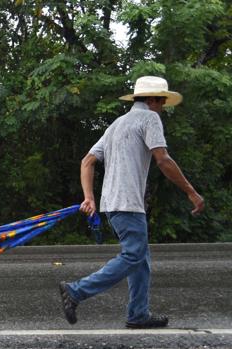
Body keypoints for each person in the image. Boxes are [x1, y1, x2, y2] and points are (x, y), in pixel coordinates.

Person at [59, 76, 205, 329]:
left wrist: (90, 198)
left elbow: (87, 161)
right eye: (162, 102)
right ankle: (76, 291)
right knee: (134, 255)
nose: (163, 108)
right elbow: (163, 159)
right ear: (152, 100)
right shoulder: (150, 118)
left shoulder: (117, 124)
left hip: (112, 204)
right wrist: (191, 191)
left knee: (141, 258)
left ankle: (138, 313)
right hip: (128, 203)